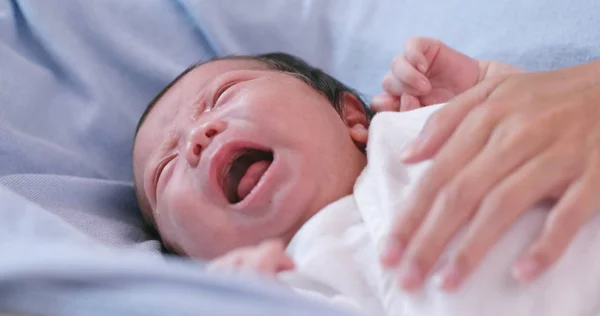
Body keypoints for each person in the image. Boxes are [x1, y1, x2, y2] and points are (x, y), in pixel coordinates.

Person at [132, 38, 600, 315]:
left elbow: (550, 130)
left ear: (352, 116)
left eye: (224, 95)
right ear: (189, 259)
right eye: (164, 170)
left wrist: (485, 91)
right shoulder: (283, 291)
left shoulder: (419, 136)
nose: (197, 138)